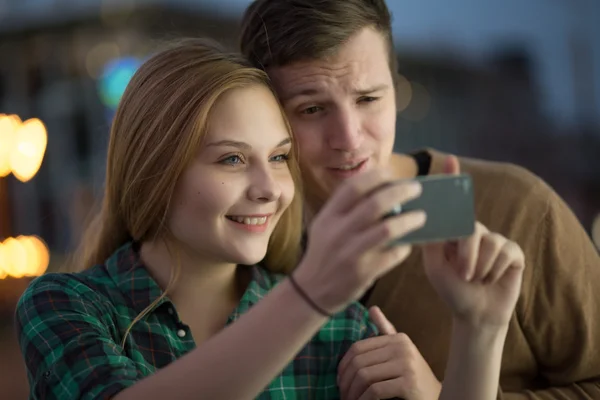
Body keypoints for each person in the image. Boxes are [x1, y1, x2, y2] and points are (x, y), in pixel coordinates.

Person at [15, 39, 525, 400]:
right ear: (154, 171)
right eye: (232, 159)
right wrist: (310, 293)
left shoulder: (343, 330)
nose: (270, 190)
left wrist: (480, 329)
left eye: (280, 157)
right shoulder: (65, 308)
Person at [239, 1, 600, 399]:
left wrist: (448, 393)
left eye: (368, 99)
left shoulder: (518, 208)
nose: (350, 138)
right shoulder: (249, 238)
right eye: (312, 109)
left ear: (395, 89)